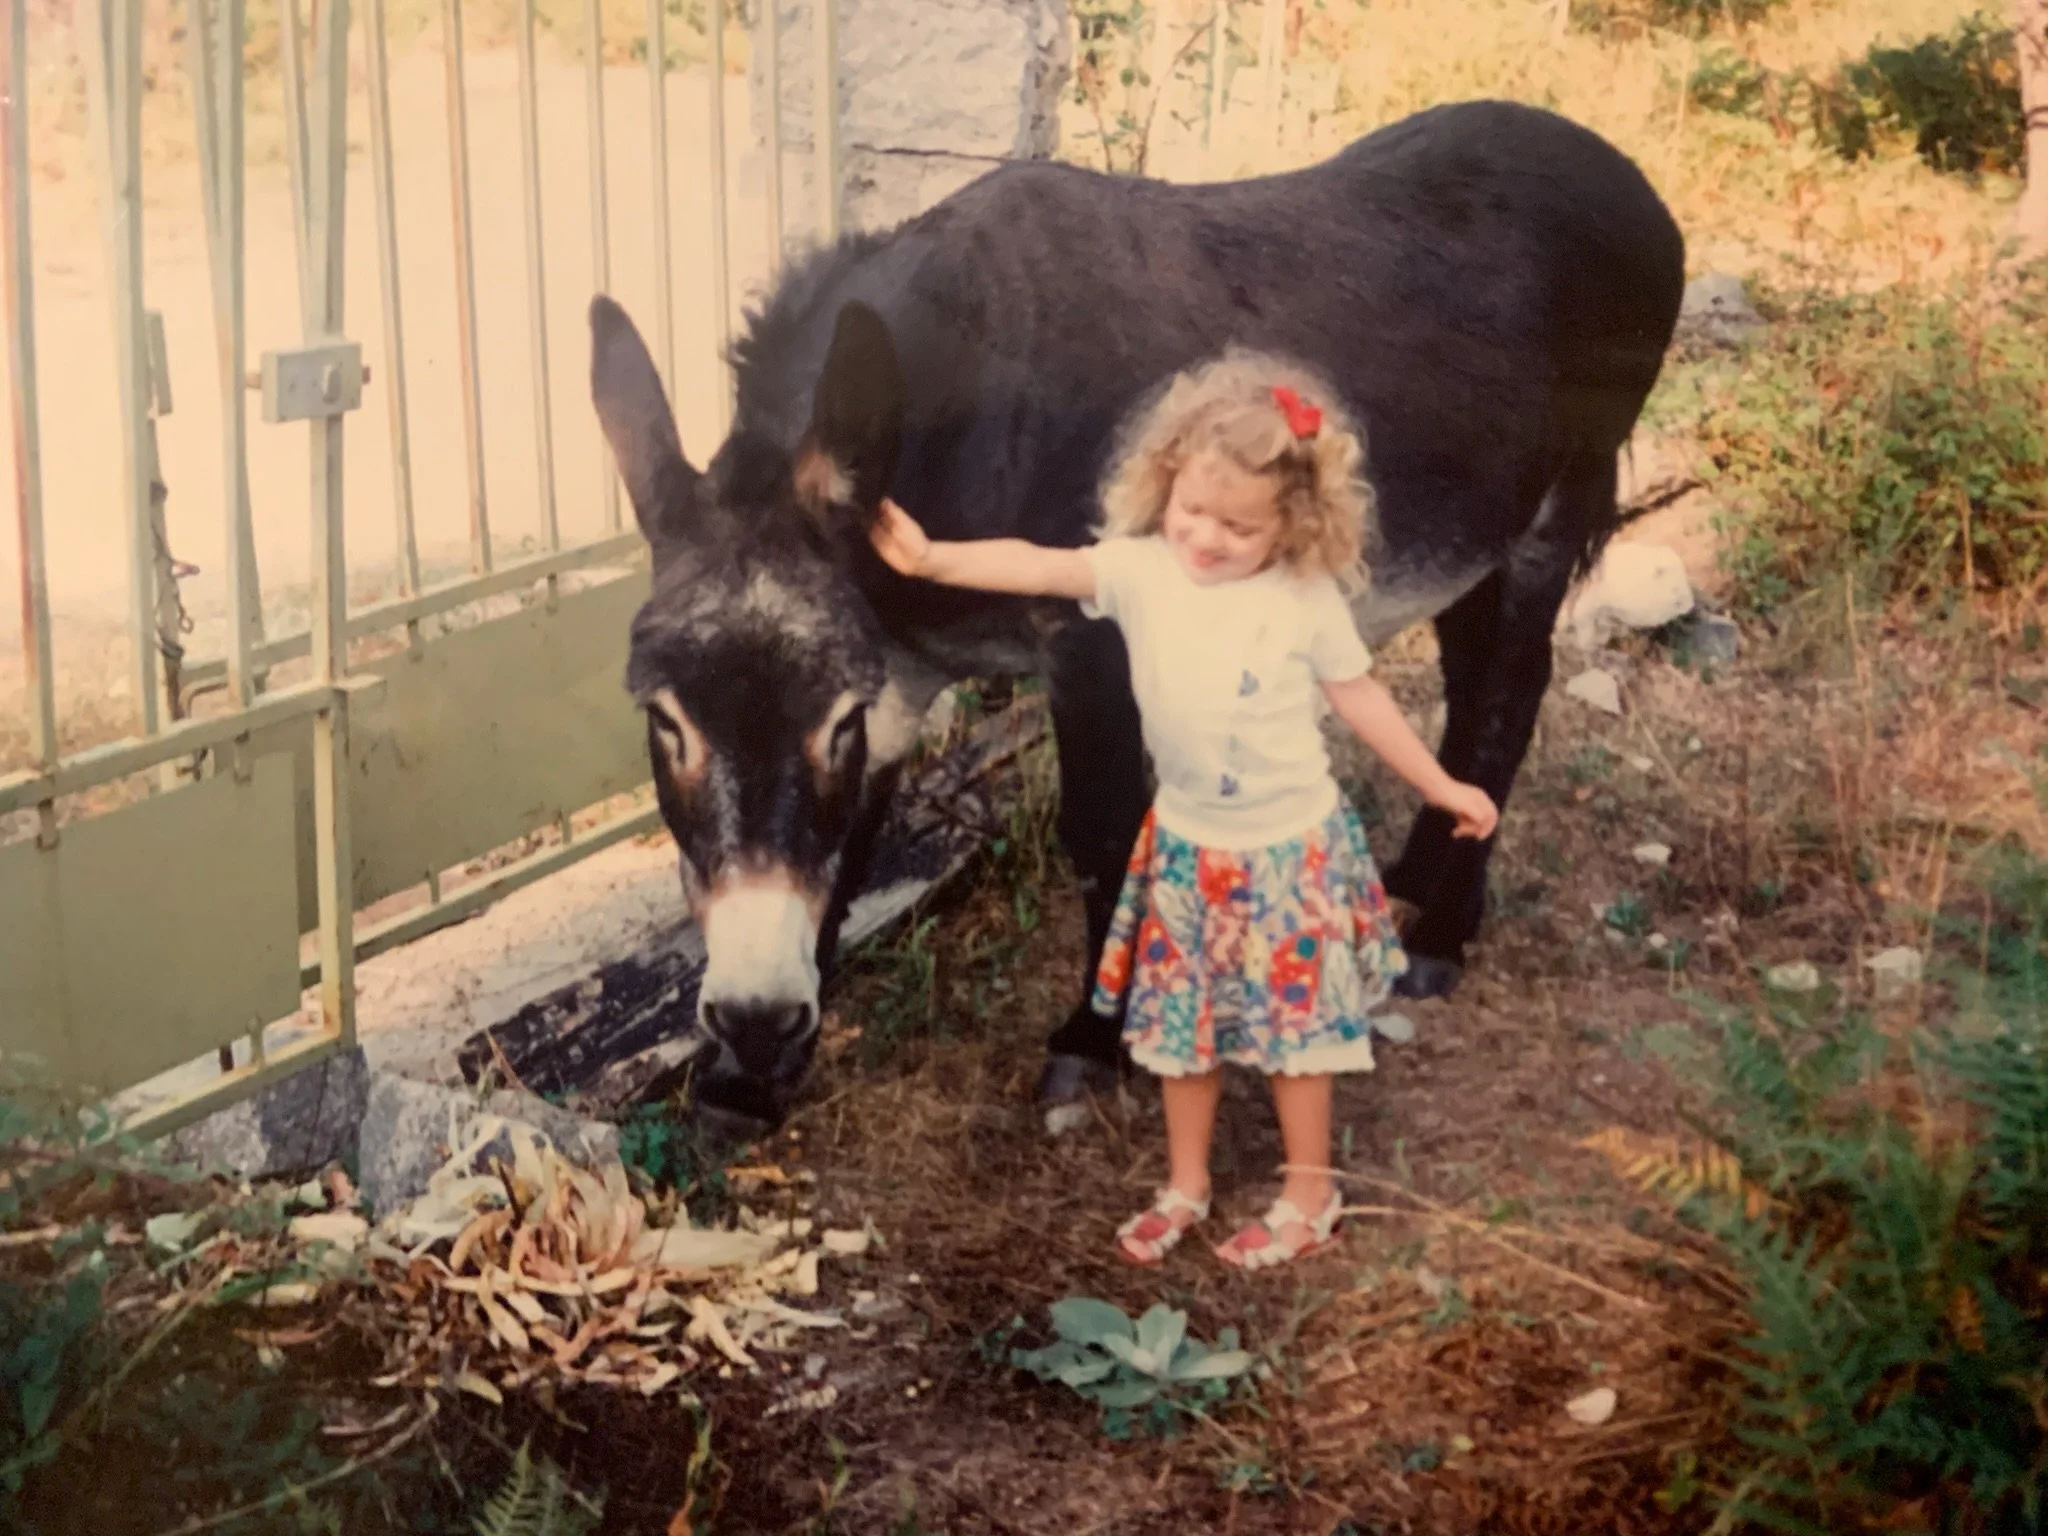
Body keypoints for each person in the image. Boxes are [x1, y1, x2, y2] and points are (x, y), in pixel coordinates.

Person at [867, 349, 1499, 1270]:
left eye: (1238, 526)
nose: (1204, 538)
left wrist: (1441, 786)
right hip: (1188, 851)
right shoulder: (1142, 570)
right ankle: (1186, 1183)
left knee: (1297, 1039)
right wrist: (933, 559)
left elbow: (1362, 698)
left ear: (1292, 524)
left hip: (1288, 854)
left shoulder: (1303, 600)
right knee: (1179, 1033)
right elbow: (1042, 568)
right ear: (1164, 483)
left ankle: (1309, 1191)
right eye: (1191, 509)